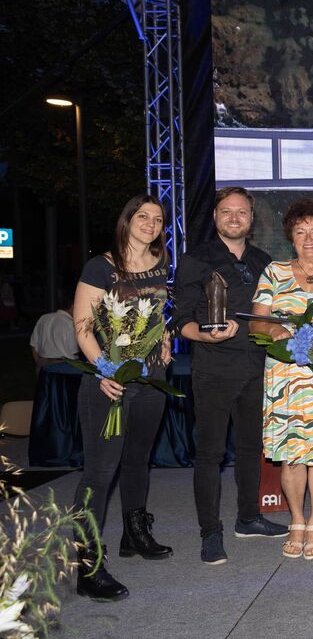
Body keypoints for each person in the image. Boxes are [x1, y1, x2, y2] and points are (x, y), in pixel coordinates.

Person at [172, 186, 287, 565]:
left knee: (252, 449)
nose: (234, 218)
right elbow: (181, 320)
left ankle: (248, 518)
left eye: (241, 212)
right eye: (227, 211)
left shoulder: (263, 261)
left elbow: (270, 314)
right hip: (214, 371)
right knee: (211, 454)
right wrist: (205, 335)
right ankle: (210, 532)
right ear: (215, 216)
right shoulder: (196, 259)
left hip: (256, 369)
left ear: (251, 219)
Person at [71, 194, 174, 601]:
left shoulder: (161, 263)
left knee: (137, 460)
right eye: (143, 216)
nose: (150, 224)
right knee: (99, 473)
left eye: (158, 219)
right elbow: (82, 326)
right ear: (127, 220)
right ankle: (87, 565)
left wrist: (165, 339)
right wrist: (105, 370)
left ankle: (134, 533)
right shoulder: (101, 266)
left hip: (152, 378)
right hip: (109, 380)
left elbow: (155, 314)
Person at [249, 198, 313, 561]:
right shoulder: (274, 272)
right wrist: (274, 330)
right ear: (291, 238)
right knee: (291, 456)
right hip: (285, 378)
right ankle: (296, 520)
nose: (309, 239)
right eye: (300, 232)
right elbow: (256, 322)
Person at [30, 298, 79, 370]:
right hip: (65, 366)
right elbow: (74, 351)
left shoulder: (44, 318)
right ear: (73, 306)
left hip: (43, 363)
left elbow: (33, 345)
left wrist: (38, 363)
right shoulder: (71, 323)